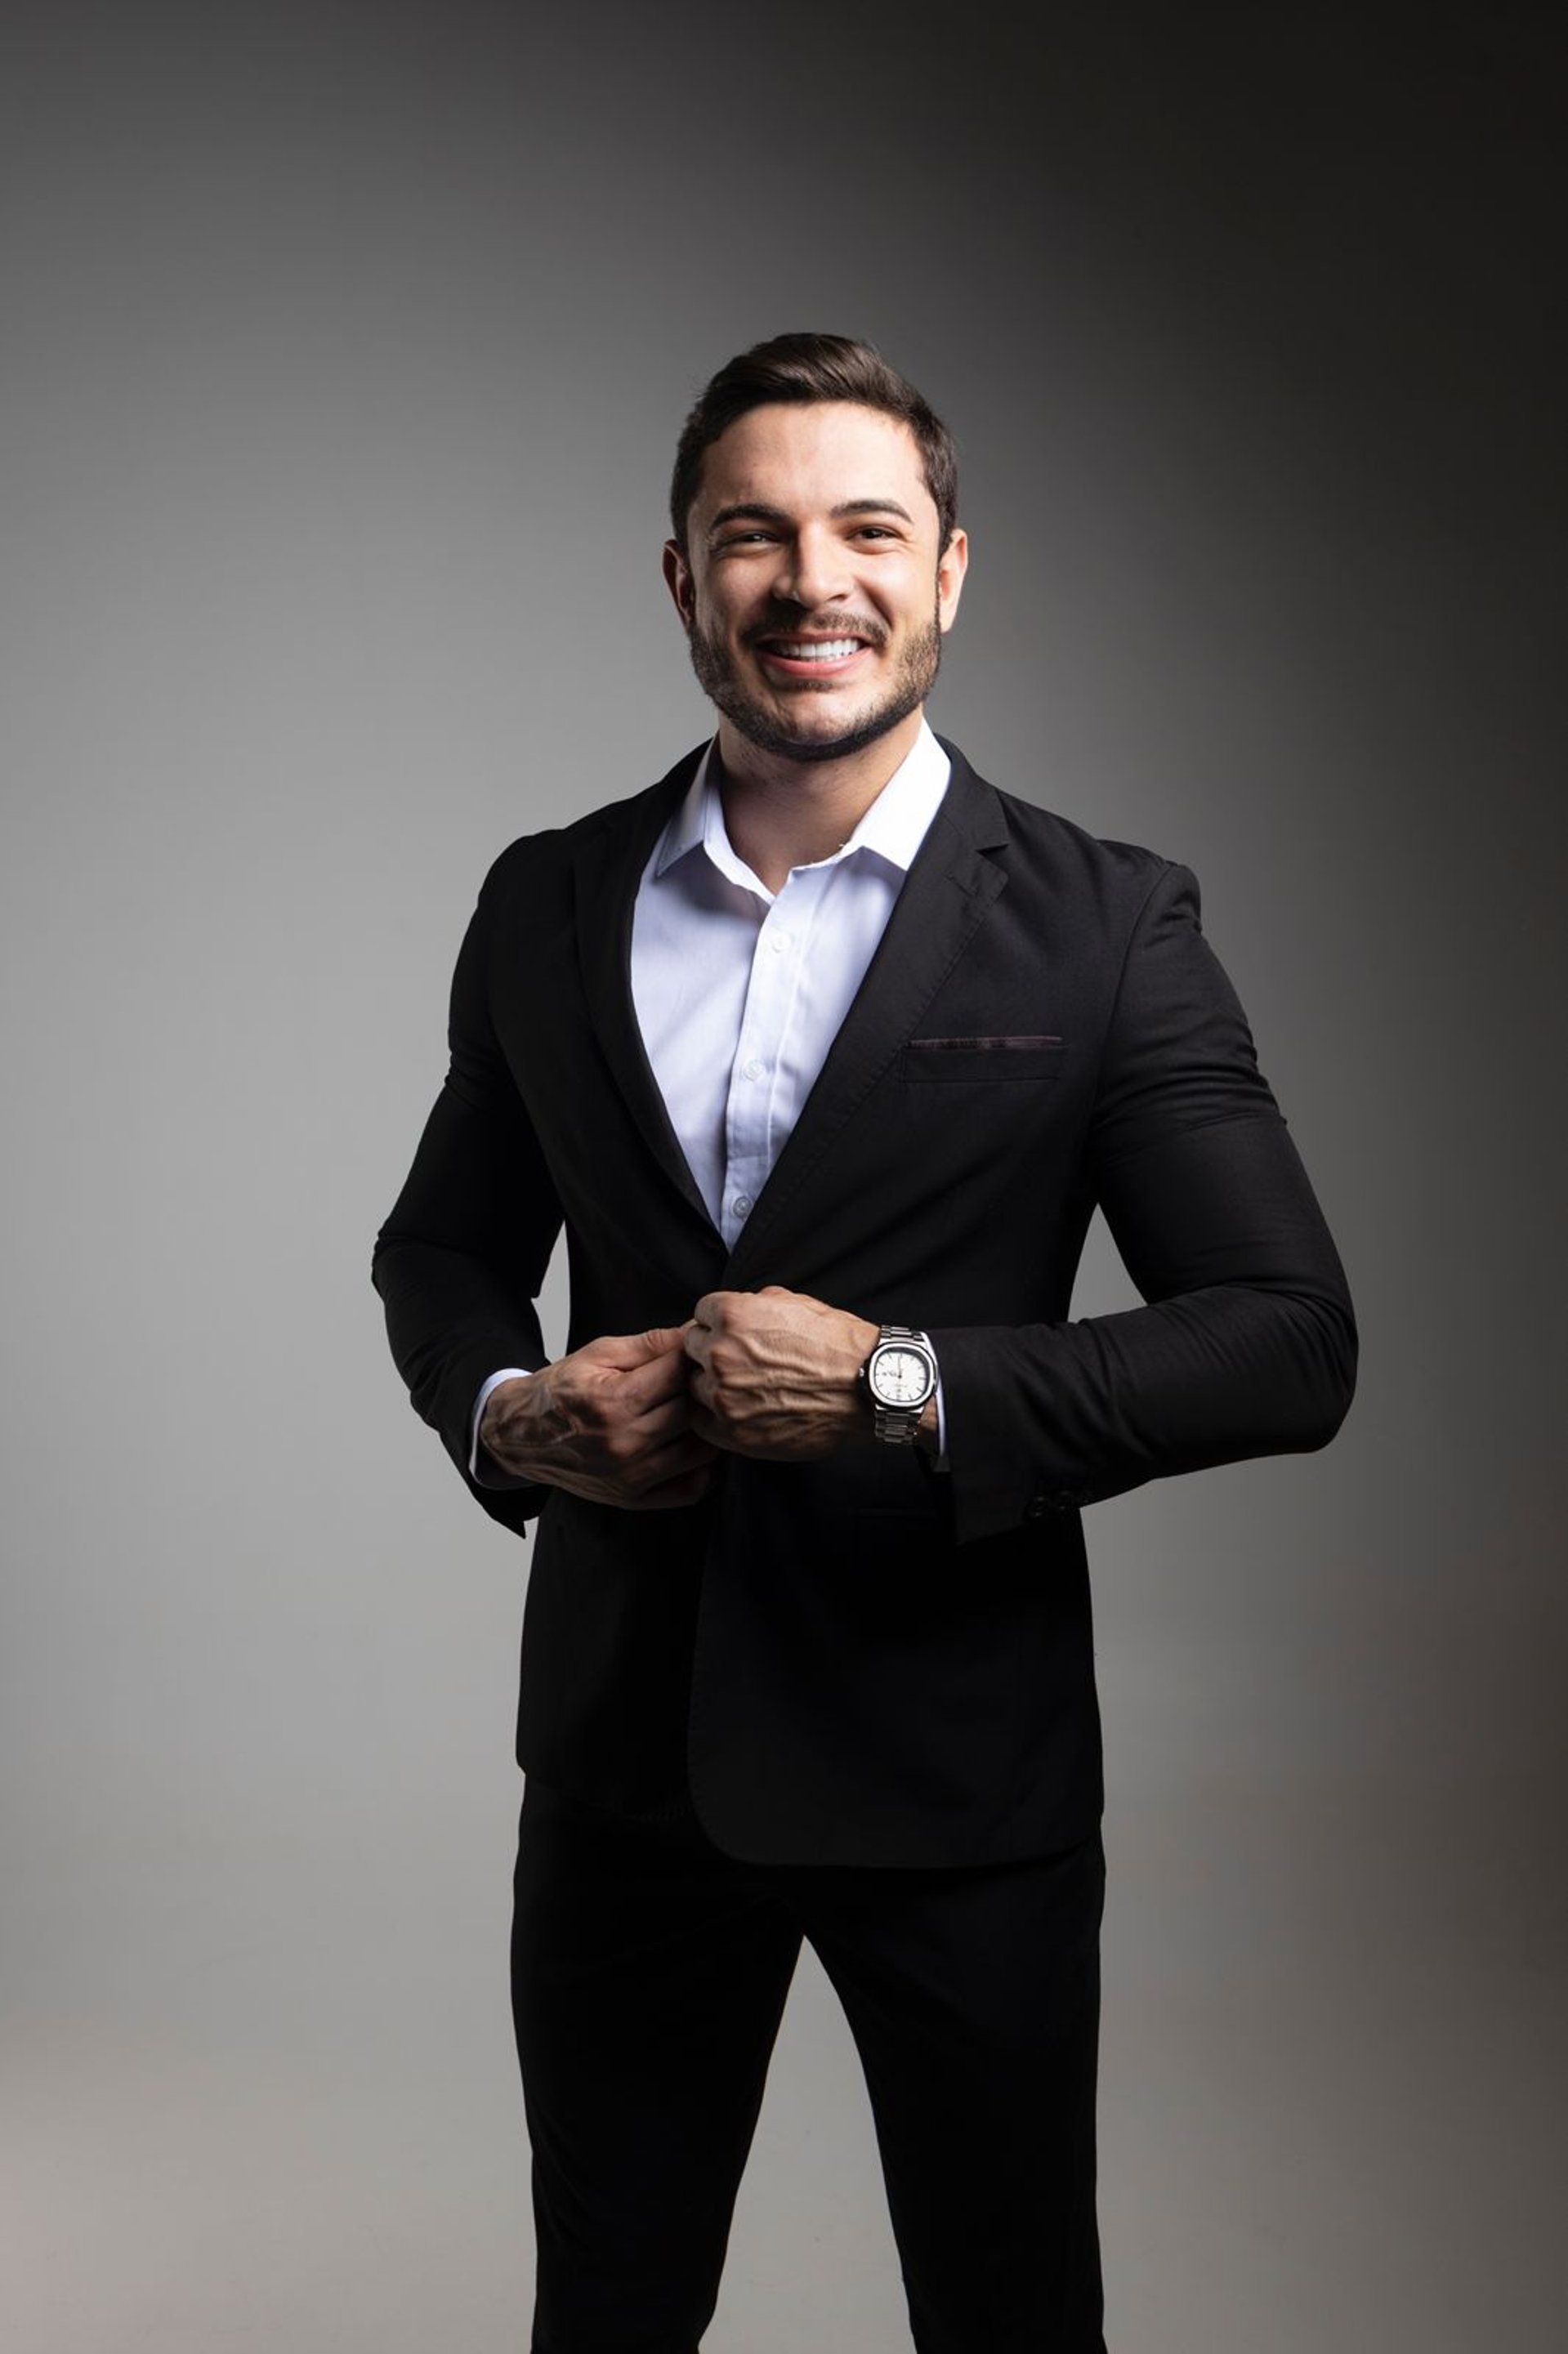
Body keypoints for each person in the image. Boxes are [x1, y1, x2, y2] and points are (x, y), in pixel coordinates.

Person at [373, 332, 1356, 2353]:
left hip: (956, 1777)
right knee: (610, 2313)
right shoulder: (546, 901)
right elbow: (442, 1247)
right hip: (625, 1770)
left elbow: (1286, 1341)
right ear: (683, 579)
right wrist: (512, 1412)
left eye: (866, 530)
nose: (811, 579)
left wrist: (903, 1384)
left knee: (1009, 2320)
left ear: (951, 572)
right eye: (754, 533)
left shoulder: (1106, 924)